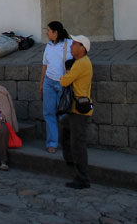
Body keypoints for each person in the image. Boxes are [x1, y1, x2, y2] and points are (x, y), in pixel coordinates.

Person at [60, 34, 94, 189]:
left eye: (74, 44)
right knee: (65, 128)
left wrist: (67, 74)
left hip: (78, 110)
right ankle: (70, 160)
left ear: (82, 48)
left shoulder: (81, 63)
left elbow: (64, 81)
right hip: (76, 108)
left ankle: (82, 177)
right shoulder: (81, 62)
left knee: (78, 144)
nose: (72, 47)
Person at [40, 21, 73, 153]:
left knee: (64, 114)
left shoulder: (69, 44)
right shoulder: (48, 46)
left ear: (55, 32)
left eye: (48, 30)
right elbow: (45, 65)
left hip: (62, 82)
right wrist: (41, 83)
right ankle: (52, 142)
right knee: (49, 113)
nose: (47, 33)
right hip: (49, 81)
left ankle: (68, 142)